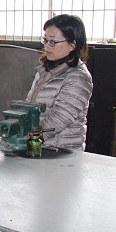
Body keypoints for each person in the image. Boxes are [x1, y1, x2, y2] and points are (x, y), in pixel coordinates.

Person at [26, 14, 93, 150]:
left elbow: (61, 118)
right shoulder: (44, 70)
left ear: (73, 45)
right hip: (41, 147)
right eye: (45, 40)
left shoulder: (78, 77)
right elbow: (29, 105)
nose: (47, 46)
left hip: (61, 151)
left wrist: (31, 138)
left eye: (53, 42)